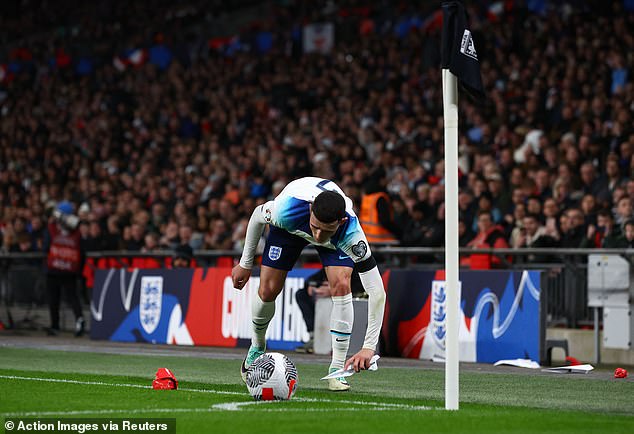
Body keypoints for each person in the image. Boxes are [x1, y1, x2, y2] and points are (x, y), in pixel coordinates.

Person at [232, 177, 386, 392]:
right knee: (267, 291)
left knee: (342, 284)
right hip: (290, 230)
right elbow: (258, 215)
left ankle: (337, 370)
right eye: (316, 227)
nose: (318, 236)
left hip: (335, 242)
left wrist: (369, 347)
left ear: (340, 222)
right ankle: (257, 346)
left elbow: (377, 291)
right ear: (311, 209)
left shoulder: (351, 233)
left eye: (326, 230)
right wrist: (246, 263)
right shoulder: (287, 210)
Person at [44, 201, 85, 336]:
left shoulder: (53, 228)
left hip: (55, 268)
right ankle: (78, 321)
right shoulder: (77, 231)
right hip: (69, 269)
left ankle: (55, 326)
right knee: (72, 297)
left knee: (55, 298)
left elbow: (46, 246)